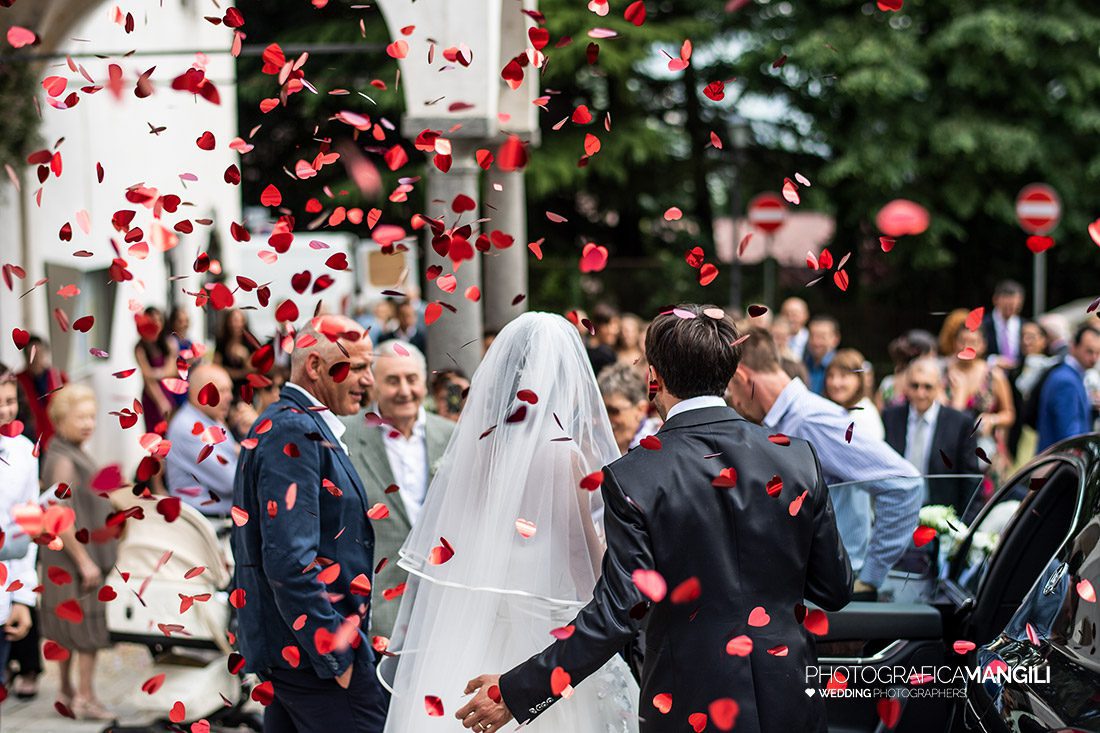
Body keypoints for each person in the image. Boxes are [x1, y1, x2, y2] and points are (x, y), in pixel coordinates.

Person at [456, 307, 852, 733]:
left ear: (654, 378)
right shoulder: (796, 457)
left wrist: (518, 692)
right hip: (790, 697)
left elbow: (617, 613)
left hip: (688, 706)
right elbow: (834, 589)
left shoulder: (635, 475)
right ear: (729, 371)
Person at [381, 312, 641, 733]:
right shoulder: (564, 456)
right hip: (538, 646)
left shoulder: (474, 449)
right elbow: (590, 569)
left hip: (472, 632)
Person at [231, 315, 386, 732]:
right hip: (312, 664)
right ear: (315, 367)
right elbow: (288, 561)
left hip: (296, 658)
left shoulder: (292, 424)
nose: (368, 380)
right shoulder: (294, 431)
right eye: (356, 367)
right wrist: (338, 658)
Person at [726, 327, 920, 602]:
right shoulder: (791, 420)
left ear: (742, 376)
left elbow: (904, 484)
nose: (734, 400)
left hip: (831, 596)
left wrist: (868, 579)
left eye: (731, 387)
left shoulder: (813, 419)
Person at [341, 340, 456, 641]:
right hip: (378, 604)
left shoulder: (452, 436)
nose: (404, 390)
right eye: (392, 381)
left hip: (443, 602)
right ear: (374, 386)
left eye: (412, 379)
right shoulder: (346, 437)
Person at [37, 384, 119, 721]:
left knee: (71, 632)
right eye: (81, 417)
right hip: (74, 562)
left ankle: (68, 693)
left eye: (91, 417)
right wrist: (85, 562)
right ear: (60, 419)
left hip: (71, 560)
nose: (88, 423)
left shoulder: (69, 451)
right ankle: (85, 697)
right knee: (86, 633)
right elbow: (57, 515)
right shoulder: (63, 461)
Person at [882, 359, 980, 514]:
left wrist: (965, 525)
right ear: (906, 386)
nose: (921, 393)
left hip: (941, 514)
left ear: (939, 386)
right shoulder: (891, 417)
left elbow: (970, 478)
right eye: (915, 386)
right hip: (897, 508)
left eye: (928, 387)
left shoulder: (959, 423)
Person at [0, 365, 38, 681]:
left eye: (9, 401)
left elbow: (28, 525)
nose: (4, 410)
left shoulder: (25, 453)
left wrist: (23, 598)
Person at [165, 364, 239, 517]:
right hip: (207, 523)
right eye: (222, 390)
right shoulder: (190, 427)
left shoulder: (210, 419)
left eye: (229, 390)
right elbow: (232, 480)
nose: (230, 397)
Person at [944, 324, 1015, 478]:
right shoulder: (944, 374)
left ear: (983, 345)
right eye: (962, 341)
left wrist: (993, 419)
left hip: (986, 449)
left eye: (973, 342)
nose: (967, 347)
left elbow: (1010, 414)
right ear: (955, 343)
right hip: (951, 447)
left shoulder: (994, 376)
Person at [1036, 324, 1100, 451]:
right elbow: (1071, 438)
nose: (1094, 358)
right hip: (1061, 464)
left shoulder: (1070, 376)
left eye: (1098, 352)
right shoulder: (1067, 381)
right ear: (1073, 347)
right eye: (1089, 351)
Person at [15, 335, 68, 447]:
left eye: (39, 353)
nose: (35, 358)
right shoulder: (18, 381)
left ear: (45, 354)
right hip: (31, 438)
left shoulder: (58, 377)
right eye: (31, 354)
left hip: (57, 436)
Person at [597, 363, 662, 455]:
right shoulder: (597, 447)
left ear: (641, 409)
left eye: (613, 411)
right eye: (600, 411)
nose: (605, 419)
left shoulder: (660, 443)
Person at [134, 307, 179, 432]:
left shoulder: (169, 342)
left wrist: (153, 373)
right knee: (154, 436)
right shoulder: (140, 348)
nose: (157, 323)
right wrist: (161, 401)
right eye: (153, 320)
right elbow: (148, 380)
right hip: (152, 397)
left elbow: (172, 371)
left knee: (171, 433)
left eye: (159, 320)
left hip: (169, 391)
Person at [825, 348, 885, 442]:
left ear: (859, 380)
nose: (835, 383)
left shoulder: (863, 417)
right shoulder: (841, 411)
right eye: (831, 375)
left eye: (843, 376)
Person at [874, 330, 937, 411]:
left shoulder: (887, 382)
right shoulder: (926, 384)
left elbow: (878, 411)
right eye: (931, 356)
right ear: (922, 356)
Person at [980, 280, 1027, 371]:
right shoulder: (983, 325)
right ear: (995, 300)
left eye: (1015, 305)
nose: (1011, 309)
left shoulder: (1025, 325)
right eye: (1007, 305)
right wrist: (993, 360)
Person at [214, 308, 258, 398]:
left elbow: (255, 369)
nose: (235, 324)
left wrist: (245, 356)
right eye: (233, 321)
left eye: (238, 321)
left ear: (244, 322)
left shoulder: (251, 341)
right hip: (227, 387)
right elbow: (216, 367)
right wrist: (240, 373)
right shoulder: (222, 341)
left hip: (247, 388)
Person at [803, 314, 840, 394]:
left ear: (835, 339)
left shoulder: (841, 367)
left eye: (822, 337)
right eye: (812, 336)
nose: (816, 342)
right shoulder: (803, 364)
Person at [585, 304, 620, 377]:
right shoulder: (606, 355)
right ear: (600, 325)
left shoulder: (583, 347)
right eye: (612, 325)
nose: (616, 331)